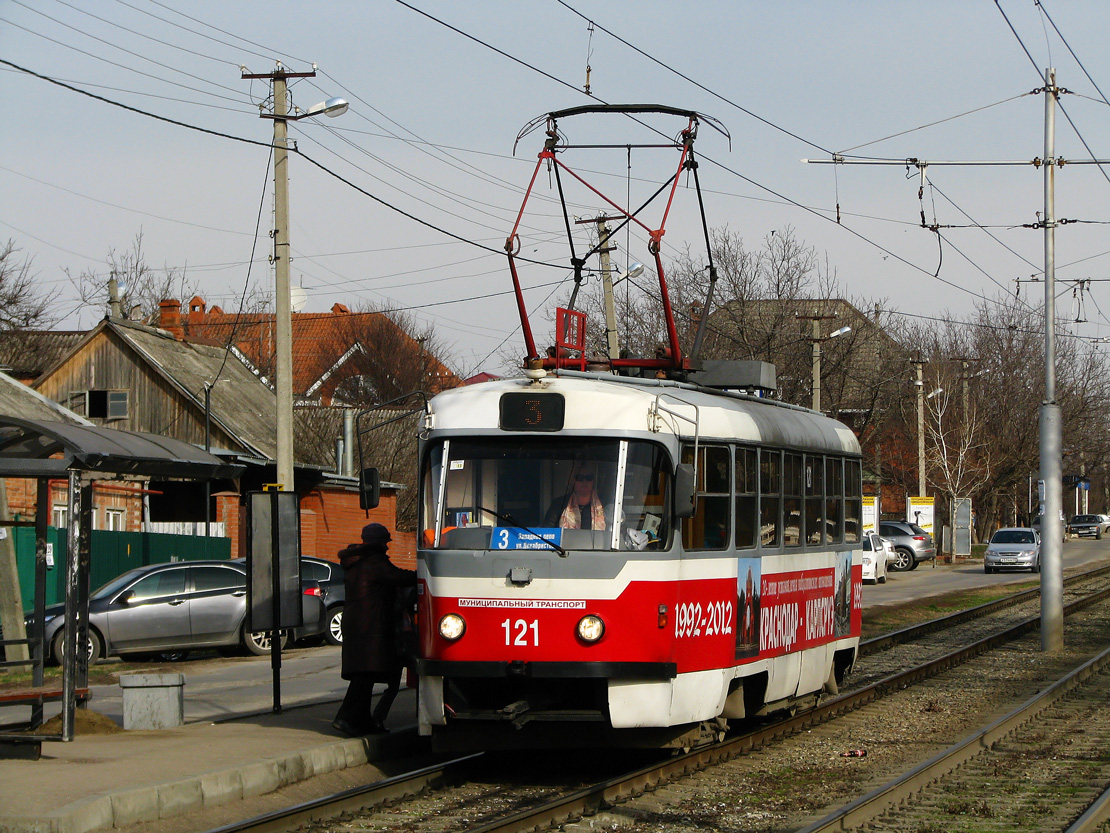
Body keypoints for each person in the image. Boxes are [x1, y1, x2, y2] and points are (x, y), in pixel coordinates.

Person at [333, 522, 417, 736]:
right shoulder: (374, 562)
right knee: (363, 676)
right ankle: (345, 718)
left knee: (365, 674)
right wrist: (424, 573)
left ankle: (362, 722)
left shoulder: (355, 561)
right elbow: (401, 577)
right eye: (385, 542)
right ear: (379, 542)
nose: (387, 546)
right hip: (370, 625)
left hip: (357, 624)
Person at [544, 463, 609, 530]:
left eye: (589, 478)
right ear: (572, 481)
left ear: (594, 481)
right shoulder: (559, 504)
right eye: (579, 478)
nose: (584, 481)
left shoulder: (604, 506)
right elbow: (547, 531)